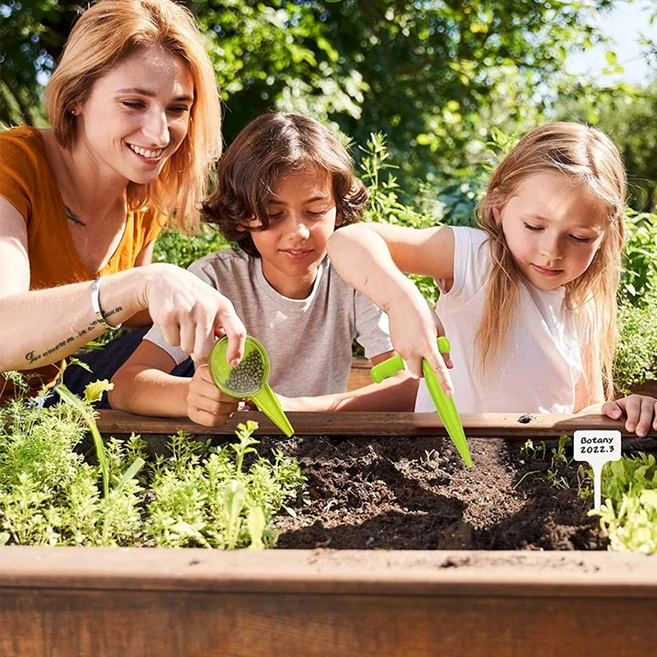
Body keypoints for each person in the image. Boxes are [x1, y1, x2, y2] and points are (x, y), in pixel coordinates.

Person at [327, 122, 657, 437]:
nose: (551, 251)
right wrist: (402, 303)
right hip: (444, 469)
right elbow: (349, 241)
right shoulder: (474, 258)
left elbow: (579, 414)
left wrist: (618, 413)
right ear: (498, 207)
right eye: (534, 226)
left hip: (532, 479)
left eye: (579, 237)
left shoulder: (585, 306)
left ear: (604, 237)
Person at [0, 0, 247, 406]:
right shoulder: (13, 164)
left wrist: (220, 299)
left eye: (177, 109)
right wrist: (147, 282)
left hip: (36, 415)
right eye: (134, 103)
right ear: (76, 97)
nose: (159, 134)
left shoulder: (142, 198)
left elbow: (132, 311)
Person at [109, 112, 417, 425]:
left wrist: (295, 407)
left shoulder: (354, 278)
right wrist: (189, 395)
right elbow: (125, 385)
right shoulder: (212, 280)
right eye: (274, 214)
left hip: (315, 446)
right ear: (242, 214)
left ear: (338, 209)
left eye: (315, 211)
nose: (298, 232)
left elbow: (409, 385)